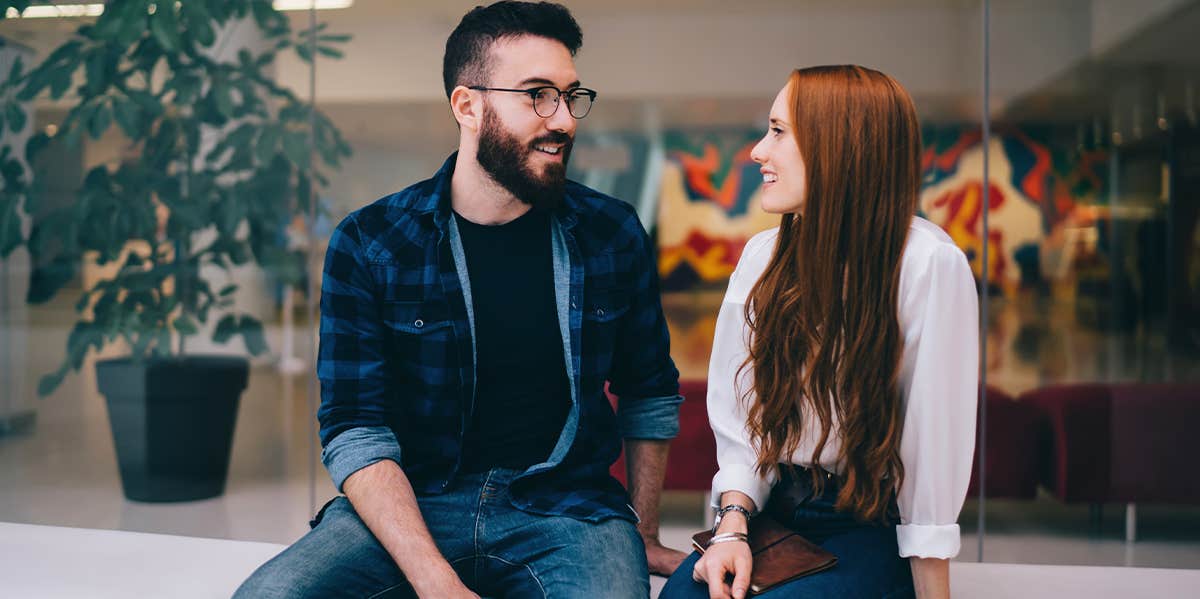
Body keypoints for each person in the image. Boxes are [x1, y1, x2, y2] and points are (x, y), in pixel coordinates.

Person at [236, 2, 686, 597]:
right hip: (413, 501)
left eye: (570, 96)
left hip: (566, 510)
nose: (564, 120)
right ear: (467, 105)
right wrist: (434, 579)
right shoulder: (373, 241)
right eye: (537, 95)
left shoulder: (611, 231)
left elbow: (648, 391)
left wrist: (644, 531)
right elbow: (355, 428)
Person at [661, 65, 979, 599]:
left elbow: (931, 464)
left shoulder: (927, 264)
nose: (758, 152)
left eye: (779, 131)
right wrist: (731, 529)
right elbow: (742, 427)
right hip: (774, 511)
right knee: (683, 597)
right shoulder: (763, 258)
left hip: (870, 524)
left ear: (841, 146)